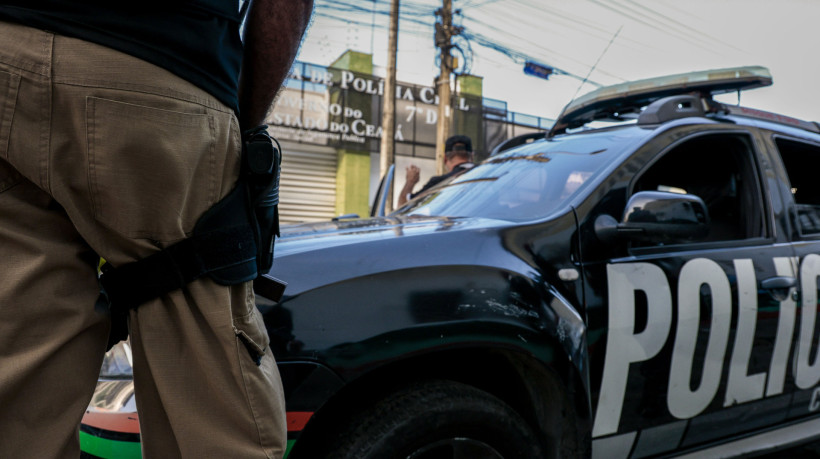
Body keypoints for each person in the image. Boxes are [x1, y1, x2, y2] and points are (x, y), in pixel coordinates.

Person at [0, 1, 312, 458]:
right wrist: (243, 132)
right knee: (210, 383)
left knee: (18, 367)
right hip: (159, 67)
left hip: (7, 56)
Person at [398, 134, 476, 206]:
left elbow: (403, 206)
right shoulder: (482, 176)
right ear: (472, 156)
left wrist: (410, 182)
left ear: (445, 159)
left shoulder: (439, 183)